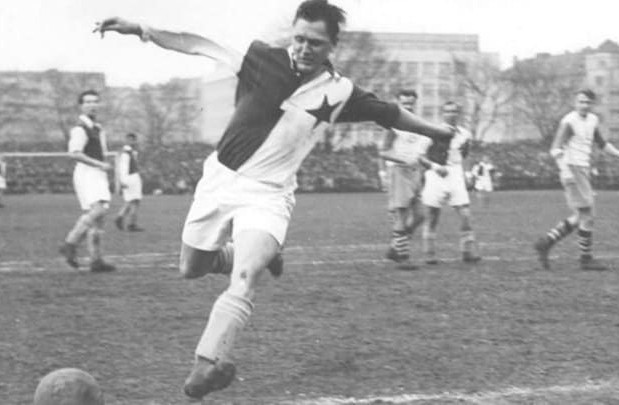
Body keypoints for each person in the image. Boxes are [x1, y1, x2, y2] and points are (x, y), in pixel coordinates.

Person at [95, 0, 456, 399]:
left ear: (332, 46)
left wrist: (436, 130)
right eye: (299, 39)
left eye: (315, 44)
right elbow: (197, 43)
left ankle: (205, 365)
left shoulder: (340, 91)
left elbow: (389, 114)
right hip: (220, 181)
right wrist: (141, 29)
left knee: (246, 279)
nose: (303, 48)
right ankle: (260, 254)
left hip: (269, 194)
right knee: (191, 268)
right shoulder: (260, 58)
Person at [534, 89, 619, 271]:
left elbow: (602, 144)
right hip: (572, 168)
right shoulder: (569, 121)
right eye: (581, 102)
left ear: (592, 104)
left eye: (587, 102)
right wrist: (565, 170)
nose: (584, 105)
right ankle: (585, 259)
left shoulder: (593, 120)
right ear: (575, 102)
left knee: (581, 216)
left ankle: (546, 242)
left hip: (583, 170)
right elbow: (555, 149)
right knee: (587, 215)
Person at [58, 90, 116, 273]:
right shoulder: (80, 128)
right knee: (97, 210)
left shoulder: (97, 128)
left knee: (99, 218)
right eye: (88, 102)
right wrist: (100, 164)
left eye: (95, 101)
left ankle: (96, 260)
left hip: (97, 173)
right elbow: (74, 153)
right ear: (81, 106)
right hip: (87, 173)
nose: (92, 105)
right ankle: (70, 243)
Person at [420, 101, 481, 265]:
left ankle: (467, 252)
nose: (451, 114)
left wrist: (468, 174)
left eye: (454, 111)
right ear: (442, 113)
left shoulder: (464, 134)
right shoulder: (432, 132)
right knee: (432, 214)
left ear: (458, 114)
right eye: (447, 111)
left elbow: (466, 155)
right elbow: (420, 156)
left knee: (465, 214)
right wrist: (435, 167)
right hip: (436, 174)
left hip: (455, 174)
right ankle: (429, 253)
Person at [380, 89, 431, 270]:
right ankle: (403, 257)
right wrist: (402, 160)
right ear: (398, 103)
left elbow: (419, 152)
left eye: (411, 103)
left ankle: (395, 247)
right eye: (404, 103)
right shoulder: (393, 125)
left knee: (420, 215)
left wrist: (428, 165)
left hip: (415, 172)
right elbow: (383, 152)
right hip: (399, 171)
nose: (408, 106)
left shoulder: (417, 124)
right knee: (401, 214)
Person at [115, 132, 145, 232]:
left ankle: (120, 217)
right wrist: (122, 181)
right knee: (134, 201)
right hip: (130, 178)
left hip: (133, 177)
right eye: (130, 139)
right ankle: (131, 224)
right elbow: (123, 168)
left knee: (132, 201)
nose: (133, 141)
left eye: (134, 139)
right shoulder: (126, 153)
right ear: (127, 140)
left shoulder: (131, 152)